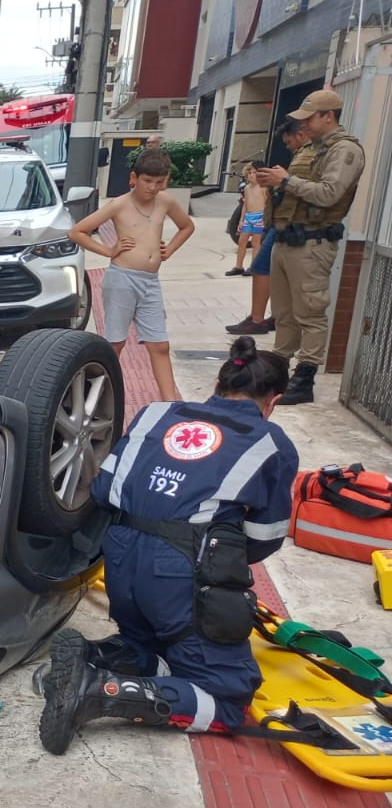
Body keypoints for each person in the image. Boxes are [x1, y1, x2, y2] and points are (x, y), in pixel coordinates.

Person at [39, 336, 299, 754]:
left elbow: (103, 489)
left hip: (120, 560)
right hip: (180, 574)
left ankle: (92, 658)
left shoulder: (155, 414)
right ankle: (93, 691)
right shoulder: (270, 442)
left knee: (154, 645)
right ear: (274, 400)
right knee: (228, 699)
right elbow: (262, 540)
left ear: (218, 384)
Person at [252, 88, 368, 405]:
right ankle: (279, 371)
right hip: (287, 239)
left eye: (309, 118)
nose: (304, 125)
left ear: (327, 116)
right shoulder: (311, 149)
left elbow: (329, 193)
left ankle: (304, 379)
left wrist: (285, 181)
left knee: (311, 313)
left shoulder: (344, 150)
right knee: (284, 313)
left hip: (313, 242)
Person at [68, 148, 196, 401]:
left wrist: (168, 249)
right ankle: (95, 397)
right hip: (122, 279)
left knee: (159, 344)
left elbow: (187, 226)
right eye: (148, 181)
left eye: (160, 182)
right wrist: (108, 250)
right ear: (134, 178)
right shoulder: (119, 204)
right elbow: (77, 232)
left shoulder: (166, 201)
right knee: (115, 343)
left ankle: (170, 403)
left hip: (150, 281)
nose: (153, 188)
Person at [226, 120, 312, 337]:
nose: (289, 146)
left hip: (293, 225)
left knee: (264, 266)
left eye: (289, 141)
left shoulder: (314, 156)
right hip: (281, 222)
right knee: (266, 267)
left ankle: (260, 319)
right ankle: (267, 316)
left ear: (300, 135)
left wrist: (282, 181)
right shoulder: (303, 155)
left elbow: (314, 191)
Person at [227, 163, 267, 276]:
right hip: (248, 217)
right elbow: (244, 205)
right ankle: (238, 266)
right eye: (249, 173)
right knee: (241, 242)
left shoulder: (264, 188)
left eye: (254, 173)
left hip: (260, 217)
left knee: (256, 243)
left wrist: (265, 218)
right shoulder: (247, 188)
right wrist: (241, 220)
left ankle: (254, 267)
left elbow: (267, 204)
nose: (252, 175)